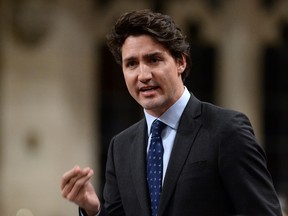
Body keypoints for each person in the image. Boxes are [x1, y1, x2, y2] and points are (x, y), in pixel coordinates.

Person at [61, 9, 282, 216]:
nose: (143, 75)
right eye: (131, 64)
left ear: (180, 62)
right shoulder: (121, 147)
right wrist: (93, 210)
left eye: (153, 59)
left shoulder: (226, 130)